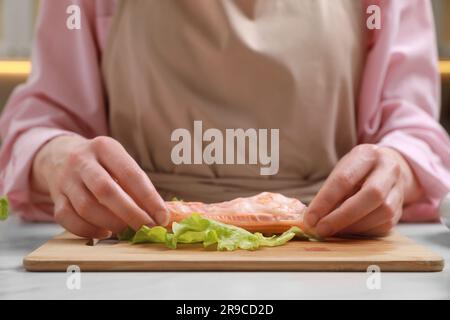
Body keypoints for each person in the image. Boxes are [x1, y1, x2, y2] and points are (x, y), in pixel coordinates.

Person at [1, 0, 449, 240]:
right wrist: (57, 159)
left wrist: (397, 167)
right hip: (132, 245)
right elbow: (42, 120)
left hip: (333, 243)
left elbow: (412, 130)